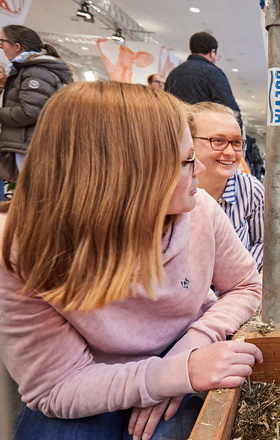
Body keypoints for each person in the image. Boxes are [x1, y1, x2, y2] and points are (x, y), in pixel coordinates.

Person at [0, 81, 263, 440]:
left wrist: (193, 344)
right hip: (87, 373)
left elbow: (248, 284)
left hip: (182, 344)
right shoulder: (22, 248)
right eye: (187, 160)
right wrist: (170, 375)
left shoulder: (202, 210)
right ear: (128, 174)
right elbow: (55, 386)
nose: (200, 170)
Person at [189, 102, 265, 271]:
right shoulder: (172, 191)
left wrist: (239, 280)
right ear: (189, 142)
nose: (230, 152)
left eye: (237, 142)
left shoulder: (250, 190)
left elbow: (262, 242)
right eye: (218, 141)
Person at [0, 24, 73, 181]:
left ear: (17, 46)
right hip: (28, 143)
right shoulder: (29, 70)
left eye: (3, 41)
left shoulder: (35, 71)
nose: (1, 46)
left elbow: (30, 111)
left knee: (33, 194)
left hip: (31, 145)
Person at [165, 32, 243, 128]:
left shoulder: (173, 73)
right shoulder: (212, 72)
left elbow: (167, 104)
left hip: (177, 129)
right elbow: (230, 108)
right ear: (212, 52)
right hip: (202, 131)